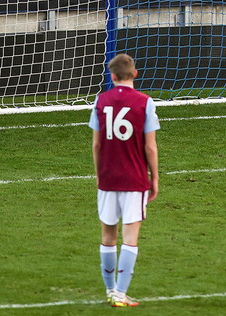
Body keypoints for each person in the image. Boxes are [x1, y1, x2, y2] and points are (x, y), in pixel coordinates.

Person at [89, 53, 160, 308]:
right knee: (130, 237)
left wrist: (99, 174)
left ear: (112, 76)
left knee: (107, 237)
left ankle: (110, 291)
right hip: (134, 179)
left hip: (108, 178)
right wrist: (155, 177)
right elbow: (150, 146)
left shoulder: (100, 101)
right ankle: (120, 293)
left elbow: (96, 145)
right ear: (135, 74)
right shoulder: (145, 102)